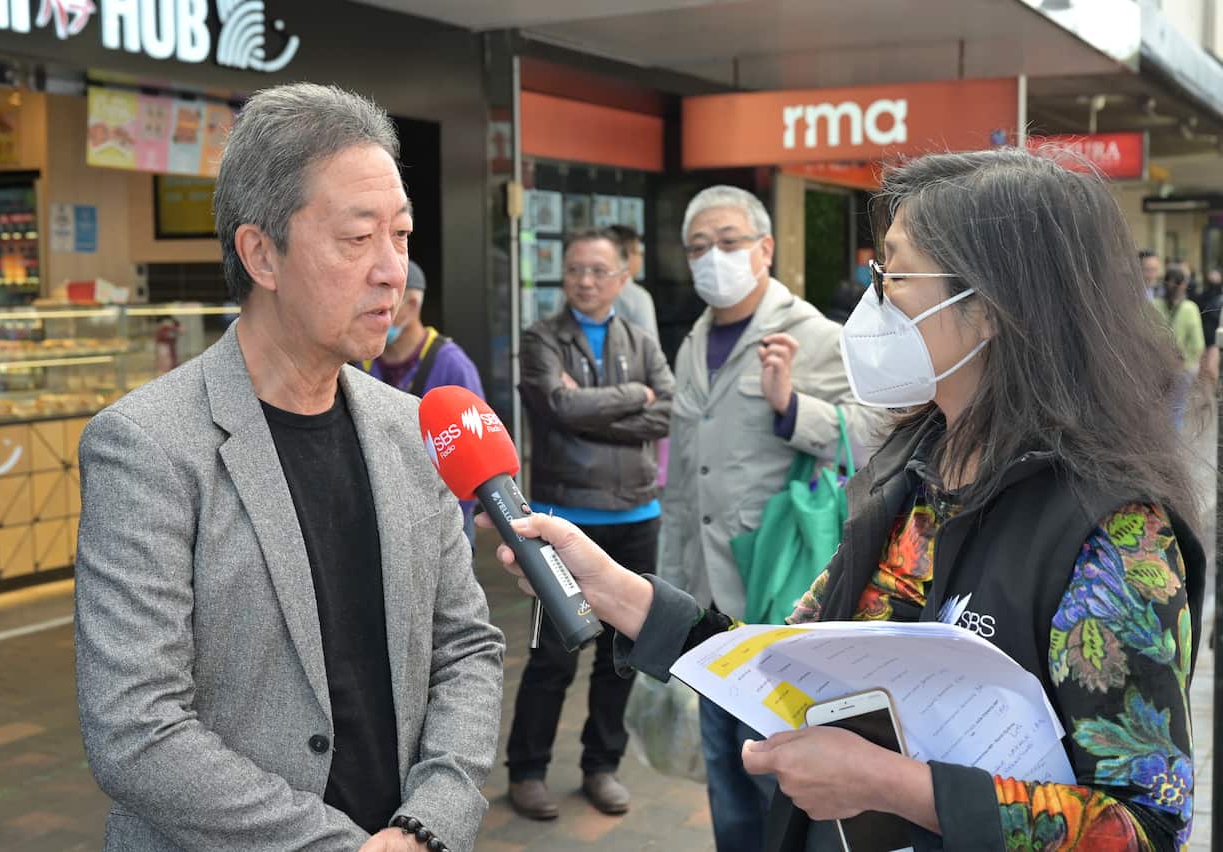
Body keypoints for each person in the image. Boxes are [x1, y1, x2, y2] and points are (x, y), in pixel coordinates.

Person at [483, 146, 1204, 851]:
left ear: (990, 308)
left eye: (893, 272)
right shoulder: (916, 478)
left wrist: (896, 787)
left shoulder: (1114, 534)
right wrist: (612, 588)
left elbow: (1144, 826)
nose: (873, 296)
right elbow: (779, 659)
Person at [74, 83, 504, 852]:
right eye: (357, 238)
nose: (393, 272)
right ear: (260, 253)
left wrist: (429, 822)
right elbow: (135, 729)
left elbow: (466, 646)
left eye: (401, 236)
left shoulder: (413, 429)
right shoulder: (146, 445)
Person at [659, 185, 881, 852]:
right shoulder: (694, 340)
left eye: (728, 242)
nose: (713, 259)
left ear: (764, 249)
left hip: (779, 593)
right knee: (726, 782)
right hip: (706, 602)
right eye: (699, 247)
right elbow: (682, 482)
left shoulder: (814, 335)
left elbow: (876, 434)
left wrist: (793, 409)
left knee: (781, 784)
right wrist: (668, 594)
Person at [507, 227, 675, 820]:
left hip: (638, 515)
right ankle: (526, 772)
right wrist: (634, 393)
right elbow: (556, 407)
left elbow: (669, 409)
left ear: (622, 278)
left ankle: (601, 767)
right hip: (564, 518)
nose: (583, 281)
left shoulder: (639, 335)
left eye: (598, 271)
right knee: (554, 655)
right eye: (574, 270)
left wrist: (591, 413)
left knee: (622, 653)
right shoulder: (541, 338)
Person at [366, 260, 485, 545]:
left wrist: (449, 523)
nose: (371, 310)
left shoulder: (452, 365)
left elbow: (475, 453)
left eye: (382, 302)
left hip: (444, 524)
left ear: (412, 305)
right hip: (384, 521)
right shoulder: (362, 360)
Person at [1155, 267, 1205, 431]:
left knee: (1158, 406)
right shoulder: (1190, 308)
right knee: (1177, 408)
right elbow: (1198, 344)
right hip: (1183, 367)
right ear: (1184, 285)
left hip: (1157, 365)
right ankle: (1172, 444)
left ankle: (1156, 440)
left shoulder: (1153, 305)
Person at [607, 224, 660, 344]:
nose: (641, 259)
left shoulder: (576, 291)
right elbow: (650, 351)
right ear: (626, 255)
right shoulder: (637, 297)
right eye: (639, 253)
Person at [1200, 267, 1223, 387]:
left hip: (1215, 339)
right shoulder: (1203, 296)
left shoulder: (1220, 297)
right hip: (1203, 336)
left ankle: (1211, 395)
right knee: (1205, 371)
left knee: (1212, 370)